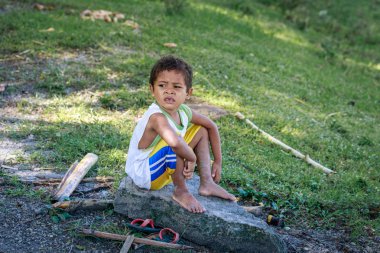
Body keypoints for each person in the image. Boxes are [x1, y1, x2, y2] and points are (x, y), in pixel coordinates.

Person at [125, 55, 236, 213]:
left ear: (188, 93)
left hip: (161, 165)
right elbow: (175, 144)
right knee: (174, 144)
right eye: (162, 85)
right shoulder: (157, 117)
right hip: (145, 173)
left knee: (201, 129)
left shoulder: (183, 111)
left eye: (177, 87)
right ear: (152, 89)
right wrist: (191, 157)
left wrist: (218, 161)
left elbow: (211, 126)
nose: (169, 91)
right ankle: (181, 191)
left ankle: (207, 182)